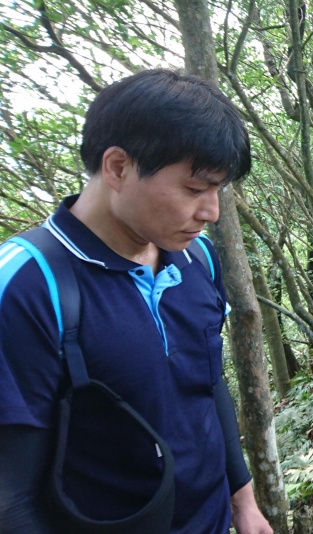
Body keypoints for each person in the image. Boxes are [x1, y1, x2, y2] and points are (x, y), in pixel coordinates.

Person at [0, 69, 273, 533]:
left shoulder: (198, 259)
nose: (211, 212)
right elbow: (12, 497)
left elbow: (205, 385)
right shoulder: (29, 285)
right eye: (195, 189)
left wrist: (243, 501)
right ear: (118, 168)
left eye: (218, 190)